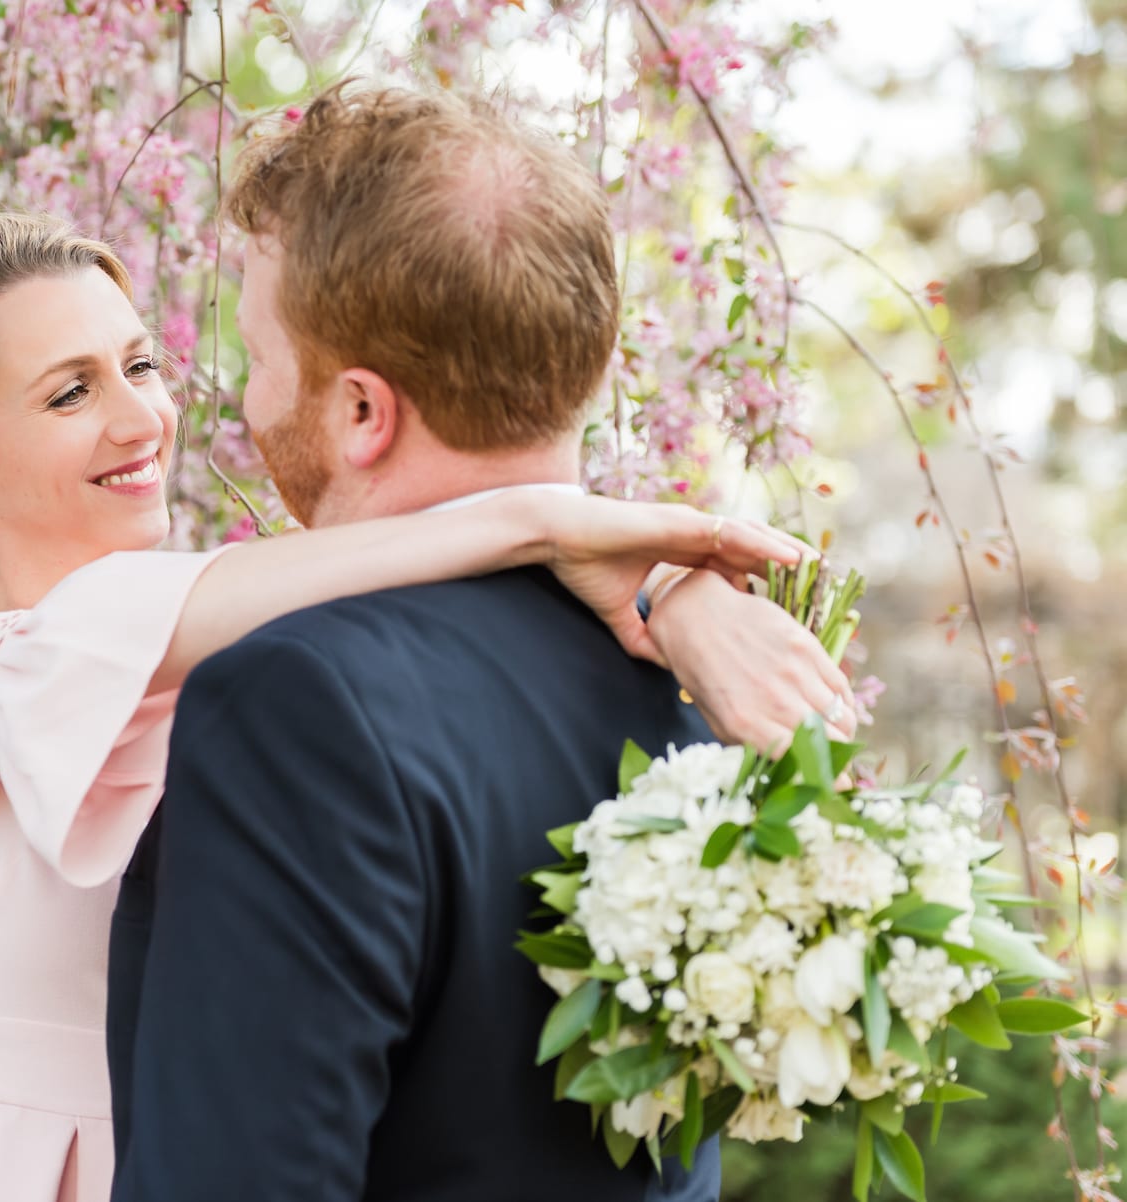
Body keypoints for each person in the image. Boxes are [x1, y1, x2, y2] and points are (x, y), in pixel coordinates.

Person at [0, 212, 852, 1200]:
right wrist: (550, 517)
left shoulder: (274, 634)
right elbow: (81, 647)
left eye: (139, 365)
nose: (142, 418)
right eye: (68, 394)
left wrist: (675, 592)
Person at [105, 86, 817, 1202]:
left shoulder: (297, 702)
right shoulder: (704, 692)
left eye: (256, 354)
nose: (241, 401)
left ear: (360, 412)